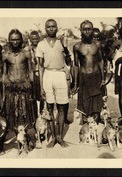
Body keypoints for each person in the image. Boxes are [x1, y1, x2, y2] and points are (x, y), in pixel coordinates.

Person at [36, 19, 72, 148]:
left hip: (60, 74)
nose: (51, 29)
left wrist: (66, 47)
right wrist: (41, 86)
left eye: (53, 26)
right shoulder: (41, 45)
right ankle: (52, 138)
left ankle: (59, 137)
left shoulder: (61, 42)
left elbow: (69, 60)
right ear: (45, 29)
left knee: (62, 107)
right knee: (50, 107)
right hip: (48, 74)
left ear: (57, 28)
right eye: (48, 27)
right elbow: (40, 67)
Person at [72, 20, 105, 124]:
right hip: (84, 76)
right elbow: (76, 65)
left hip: (96, 76)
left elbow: (101, 61)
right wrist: (76, 83)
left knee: (96, 102)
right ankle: (86, 124)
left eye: (89, 29)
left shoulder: (97, 44)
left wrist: (103, 78)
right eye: (85, 29)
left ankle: (96, 122)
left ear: (92, 30)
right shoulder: (77, 46)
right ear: (81, 31)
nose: (87, 31)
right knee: (85, 102)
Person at [3, 29, 36, 131]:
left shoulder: (26, 53)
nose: (15, 42)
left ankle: (26, 137)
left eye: (17, 39)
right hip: (11, 87)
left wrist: (30, 83)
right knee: (13, 113)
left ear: (21, 40)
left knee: (25, 112)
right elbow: (4, 73)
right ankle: (17, 136)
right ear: (9, 40)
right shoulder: (6, 55)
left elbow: (30, 71)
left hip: (24, 87)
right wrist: (7, 82)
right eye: (13, 40)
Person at [27, 31, 45, 116]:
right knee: (33, 96)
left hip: (42, 73)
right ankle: (34, 115)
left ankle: (42, 113)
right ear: (30, 39)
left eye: (36, 38)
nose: (35, 40)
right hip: (32, 74)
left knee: (42, 96)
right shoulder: (27, 49)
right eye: (32, 38)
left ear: (39, 38)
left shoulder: (42, 47)